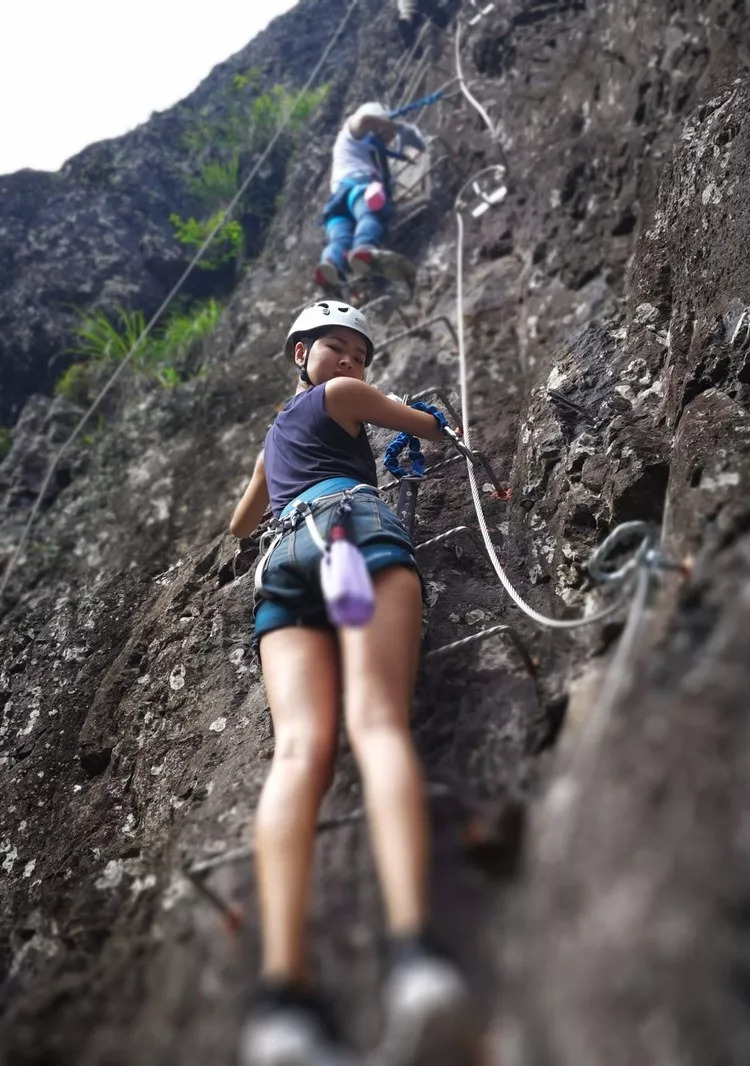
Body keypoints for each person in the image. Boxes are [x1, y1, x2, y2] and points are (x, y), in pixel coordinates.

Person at [230, 301, 472, 1066]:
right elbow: (426, 425)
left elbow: (242, 523)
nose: (352, 362)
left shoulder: (276, 437)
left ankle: (281, 1000)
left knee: (299, 751)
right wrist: (428, 424)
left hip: (284, 563)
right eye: (338, 348)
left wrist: (283, 475)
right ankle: (416, 958)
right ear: (301, 353)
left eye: (360, 354)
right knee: (375, 724)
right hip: (353, 532)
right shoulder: (340, 399)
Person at [315, 103, 426, 292]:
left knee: (339, 241)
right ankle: (364, 249)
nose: (390, 139)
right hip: (359, 191)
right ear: (378, 126)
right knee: (370, 216)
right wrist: (393, 125)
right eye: (387, 134)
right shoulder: (354, 136)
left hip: (337, 206)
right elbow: (363, 120)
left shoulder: (368, 151)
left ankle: (330, 264)